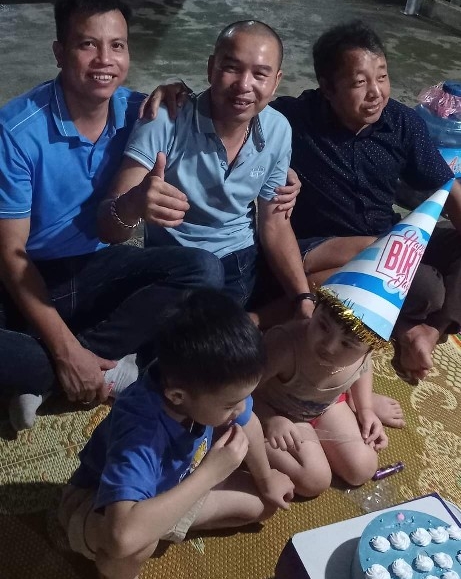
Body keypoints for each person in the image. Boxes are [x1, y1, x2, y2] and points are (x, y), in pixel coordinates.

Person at [149, 20, 461, 388]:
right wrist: (179, 93)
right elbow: (239, 98)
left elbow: (447, 186)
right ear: (327, 88)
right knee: (423, 286)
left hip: (384, 237)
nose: (376, 93)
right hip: (317, 247)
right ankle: (265, 319)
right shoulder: (294, 118)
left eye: (382, 77)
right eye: (359, 83)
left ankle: (427, 330)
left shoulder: (403, 123)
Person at [0, 0, 224, 431]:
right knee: (32, 355)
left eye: (117, 46)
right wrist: (64, 351)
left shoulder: (140, 111)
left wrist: (282, 173)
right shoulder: (16, 131)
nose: (105, 60)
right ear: (59, 53)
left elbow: (224, 118)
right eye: (88, 44)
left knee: (203, 271)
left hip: (95, 269)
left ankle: (65, 368)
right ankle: (71, 364)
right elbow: (11, 254)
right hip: (25, 279)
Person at [58, 289, 294, 579]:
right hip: (95, 508)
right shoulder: (141, 431)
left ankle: (163, 520)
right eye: (230, 404)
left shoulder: (206, 379)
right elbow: (122, 535)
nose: (241, 408)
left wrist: (266, 478)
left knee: (260, 505)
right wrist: (210, 474)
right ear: (177, 397)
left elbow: (246, 421)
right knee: (139, 541)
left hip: (169, 489)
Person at [98, 20, 314, 316]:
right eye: (232, 68)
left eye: (260, 74)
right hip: (177, 266)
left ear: (276, 82)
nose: (244, 85)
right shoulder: (166, 118)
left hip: (239, 262)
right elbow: (108, 228)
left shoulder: (278, 130)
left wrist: (303, 298)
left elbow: (274, 223)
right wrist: (133, 204)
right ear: (211, 68)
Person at [253, 297, 387, 498]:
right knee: (314, 480)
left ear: (369, 348)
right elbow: (240, 392)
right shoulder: (284, 344)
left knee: (363, 468)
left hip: (327, 406)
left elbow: (364, 368)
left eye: (346, 343)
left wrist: (365, 409)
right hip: (276, 412)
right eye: (324, 326)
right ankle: (249, 447)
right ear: (315, 310)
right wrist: (269, 419)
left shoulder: (364, 350)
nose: (329, 346)